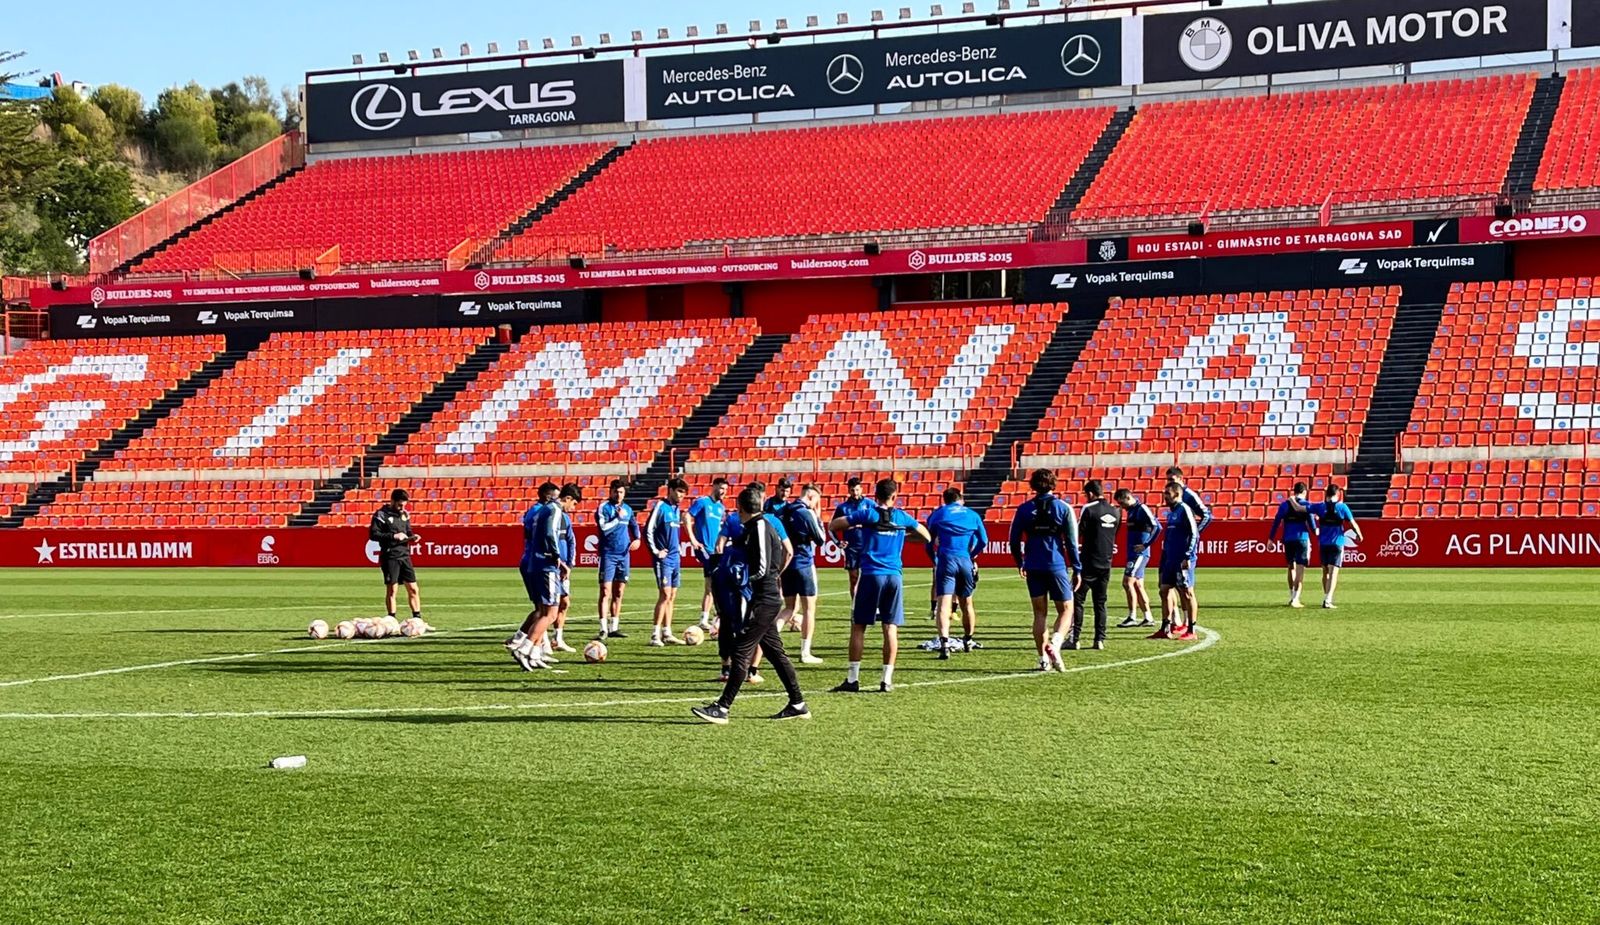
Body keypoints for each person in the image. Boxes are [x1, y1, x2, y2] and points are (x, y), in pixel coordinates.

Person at [692, 487, 809, 724]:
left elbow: (763, 567)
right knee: (776, 654)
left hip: (764, 599)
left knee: (742, 651)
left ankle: (722, 708)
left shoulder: (760, 527)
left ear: (740, 507)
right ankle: (798, 703)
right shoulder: (756, 527)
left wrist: (744, 580)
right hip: (765, 597)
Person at [829, 478, 929, 693]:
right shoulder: (902, 516)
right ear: (895, 496)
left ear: (875, 496)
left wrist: (856, 525)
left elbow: (834, 525)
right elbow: (926, 536)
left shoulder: (868, 513)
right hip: (894, 575)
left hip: (872, 574)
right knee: (890, 627)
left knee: (858, 626)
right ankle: (886, 680)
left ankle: (853, 679)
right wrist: (903, 534)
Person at [1009, 469, 1081, 672]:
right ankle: (1055, 644)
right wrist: (1077, 568)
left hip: (1033, 565)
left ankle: (1043, 659)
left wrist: (1019, 562)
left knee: (1039, 613)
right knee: (1067, 610)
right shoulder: (1063, 508)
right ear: (1053, 484)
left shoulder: (1023, 509)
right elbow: (1072, 542)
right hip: (1056, 565)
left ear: (1032, 485)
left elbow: (1014, 540)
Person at [507, 482, 564, 671]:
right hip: (540, 561)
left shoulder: (536, 511)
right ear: (545, 496)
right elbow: (545, 535)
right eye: (552, 496)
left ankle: (534, 651)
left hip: (533, 560)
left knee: (543, 610)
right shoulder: (545, 511)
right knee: (546, 611)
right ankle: (524, 646)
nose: (555, 499)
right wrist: (556, 556)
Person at [925, 486, 987, 659]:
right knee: (967, 603)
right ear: (961, 499)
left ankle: (944, 643)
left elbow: (928, 542)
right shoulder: (972, 514)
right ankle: (968, 640)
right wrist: (972, 556)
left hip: (946, 560)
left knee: (943, 604)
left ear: (945, 500)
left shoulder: (938, 514)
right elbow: (984, 540)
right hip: (964, 560)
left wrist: (934, 559)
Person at [778, 483, 828, 664]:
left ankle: (768, 638)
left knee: (790, 608)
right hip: (804, 564)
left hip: (787, 564)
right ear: (812, 497)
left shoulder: (785, 510)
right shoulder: (806, 513)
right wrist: (817, 516)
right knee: (809, 609)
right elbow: (821, 540)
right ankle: (805, 652)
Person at [1071, 480, 1121, 651]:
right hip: (1106, 563)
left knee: (1077, 600)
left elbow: (1078, 532)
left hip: (1088, 562)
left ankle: (1075, 639)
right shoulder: (1116, 511)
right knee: (1100, 603)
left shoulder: (1089, 509)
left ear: (1090, 494)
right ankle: (1099, 640)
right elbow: (1113, 534)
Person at [1298, 484, 1363, 610]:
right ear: (1337, 494)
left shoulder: (1320, 506)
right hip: (1337, 543)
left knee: (1325, 571)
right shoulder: (1342, 507)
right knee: (1334, 572)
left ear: (1326, 494)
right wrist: (1359, 534)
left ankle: (1326, 596)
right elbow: (1353, 523)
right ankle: (1328, 599)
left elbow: (1302, 508)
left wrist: (1291, 501)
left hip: (1323, 543)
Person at [1164, 467, 1212, 634]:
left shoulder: (1188, 496)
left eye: (1172, 479)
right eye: (1167, 479)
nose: (1169, 482)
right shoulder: (1172, 500)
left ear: (1180, 478)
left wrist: (1194, 532)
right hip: (1172, 549)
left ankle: (1187, 623)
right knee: (1170, 586)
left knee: (1185, 588)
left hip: (1184, 549)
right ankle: (1177, 621)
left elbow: (1206, 515)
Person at [369, 488, 423, 624]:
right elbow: (373, 535)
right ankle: (391, 620)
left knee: (413, 588)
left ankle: (417, 619)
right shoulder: (381, 515)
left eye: (404, 505)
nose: (402, 507)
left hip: (405, 555)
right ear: (392, 501)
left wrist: (413, 537)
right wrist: (393, 536)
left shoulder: (405, 514)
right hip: (390, 555)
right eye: (399, 505)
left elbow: (408, 530)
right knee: (392, 589)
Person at [645, 478, 688, 646]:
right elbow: (648, 529)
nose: (681, 495)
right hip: (663, 560)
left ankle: (667, 632)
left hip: (675, 558)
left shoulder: (676, 510)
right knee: (665, 594)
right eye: (678, 491)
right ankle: (655, 634)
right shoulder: (660, 507)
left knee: (672, 596)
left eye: (683, 493)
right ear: (670, 490)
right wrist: (656, 552)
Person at [595, 479, 640, 640]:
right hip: (608, 554)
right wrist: (616, 517)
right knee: (605, 591)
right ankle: (602, 628)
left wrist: (637, 539)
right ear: (611, 491)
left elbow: (634, 525)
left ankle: (614, 627)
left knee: (619, 592)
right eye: (616, 491)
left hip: (624, 555)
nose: (619, 495)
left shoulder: (627, 509)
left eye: (621, 492)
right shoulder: (604, 508)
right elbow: (604, 529)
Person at [1156, 482, 1200, 641]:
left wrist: (1188, 556)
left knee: (1187, 593)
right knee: (1164, 590)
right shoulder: (1172, 512)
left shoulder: (1185, 510)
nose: (1164, 496)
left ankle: (1191, 629)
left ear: (1176, 494)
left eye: (1167, 493)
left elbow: (1195, 534)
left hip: (1182, 560)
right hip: (1170, 559)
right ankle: (1165, 628)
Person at [687, 478, 730, 631]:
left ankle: (708, 618)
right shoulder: (703, 502)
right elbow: (687, 516)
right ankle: (714, 617)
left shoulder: (721, 508)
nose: (723, 491)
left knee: (712, 585)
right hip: (704, 549)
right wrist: (692, 538)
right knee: (714, 582)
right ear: (714, 487)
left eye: (725, 489)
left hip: (716, 551)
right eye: (721, 488)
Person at [1114, 488, 1159, 628]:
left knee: (1127, 582)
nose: (1121, 507)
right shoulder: (1131, 511)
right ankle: (1148, 617)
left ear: (1127, 498)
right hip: (1133, 553)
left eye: (1122, 503)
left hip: (1139, 554)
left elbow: (1157, 526)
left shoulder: (1142, 508)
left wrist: (1146, 545)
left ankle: (1132, 616)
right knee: (1138, 585)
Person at [1268, 481, 1314, 608]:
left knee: (1291, 567)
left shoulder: (1284, 505)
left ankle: (1291, 596)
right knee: (1300, 568)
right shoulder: (1306, 504)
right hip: (1302, 538)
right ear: (1304, 492)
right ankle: (1296, 598)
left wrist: (1270, 539)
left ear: (1294, 492)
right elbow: (1312, 524)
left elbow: (1276, 522)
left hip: (1288, 538)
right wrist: (1316, 530)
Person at [550, 483, 583, 653]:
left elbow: (571, 541)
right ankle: (534, 640)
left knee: (564, 603)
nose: (574, 508)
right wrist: (560, 563)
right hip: (552, 567)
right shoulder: (553, 514)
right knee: (549, 607)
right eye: (574, 503)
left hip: (564, 568)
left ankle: (558, 638)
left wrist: (569, 564)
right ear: (568, 498)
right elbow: (549, 540)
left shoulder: (566, 519)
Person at [831, 477, 873, 600]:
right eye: (852, 490)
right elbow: (832, 527)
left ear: (861, 489)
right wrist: (838, 542)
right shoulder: (842, 508)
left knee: (870, 578)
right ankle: (855, 608)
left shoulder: (870, 505)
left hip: (867, 546)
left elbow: (878, 522)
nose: (855, 493)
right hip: (852, 548)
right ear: (848, 491)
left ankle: (872, 606)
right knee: (854, 578)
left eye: (857, 490)